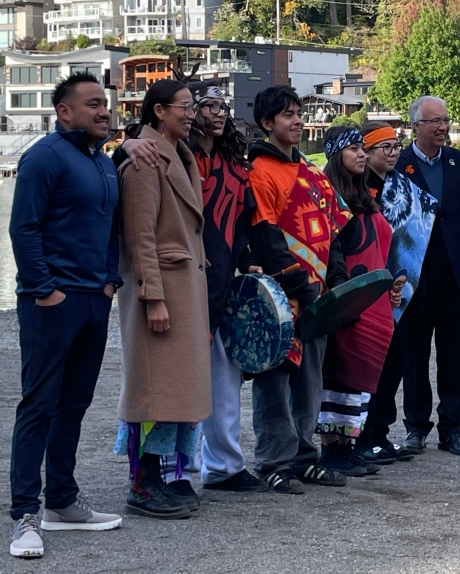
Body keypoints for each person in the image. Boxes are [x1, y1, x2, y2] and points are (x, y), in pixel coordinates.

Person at [7, 71, 158, 558]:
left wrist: (111, 280)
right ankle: (25, 516)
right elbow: (23, 229)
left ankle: (63, 503)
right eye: (92, 104)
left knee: (74, 405)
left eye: (106, 104)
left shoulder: (101, 162)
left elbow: (112, 227)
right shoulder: (43, 158)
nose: (103, 111)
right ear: (64, 111)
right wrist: (43, 290)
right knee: (39, 405)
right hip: (52, 303)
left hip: (96, 298)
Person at [113, 79, 211, 518]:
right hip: (163, 289)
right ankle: (143, 482)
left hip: (183, 288)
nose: (191, 113)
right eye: (184, 107)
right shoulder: (145, 159)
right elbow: (139, 235)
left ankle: (166, 475)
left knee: (175, 390)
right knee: (154, 390)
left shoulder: (179, 153)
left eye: (193, 106)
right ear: (158, 111)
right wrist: (152, 296)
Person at [248, 85, 351, 494]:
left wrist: (339, 282)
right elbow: (266, 239)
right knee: (274, 380)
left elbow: (334, 231)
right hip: (280, 295)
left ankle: (306, 456)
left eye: (298, 112)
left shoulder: (310, 172)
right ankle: (273, 460)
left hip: (319, 293)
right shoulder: (259, 171)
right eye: (286, 115)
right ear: (267, 123)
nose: (296, 120)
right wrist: (302, 287)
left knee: (310, 378)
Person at [387, 96, 460, 456]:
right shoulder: (397, 164)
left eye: (446, 120)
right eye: (435, 122)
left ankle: (452, 428)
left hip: (454, 273)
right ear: (416, 126)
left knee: (451, 353)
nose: (443, 127)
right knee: (414, 354)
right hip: (414, 274)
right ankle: (415, 427)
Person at [185, 82, 269, 493]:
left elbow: (239, 226)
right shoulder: (178, 158)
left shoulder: (235, 163)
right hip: (183, 280)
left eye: (223, 107)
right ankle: (171, 468)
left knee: (225, 379)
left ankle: (225, 466)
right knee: (177, 379)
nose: (219, 113)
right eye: (209, 106)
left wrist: (247, 260)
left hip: (223, 281)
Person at [316, 126, 398, 476]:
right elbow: (331, 249)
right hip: (349, 294)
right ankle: (331, 450)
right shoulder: (329, 198)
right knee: (340, 372)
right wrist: (340, 291)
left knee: (362, 375)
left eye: (363, 148)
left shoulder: (365, 197)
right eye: (354, 149)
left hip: (374, 299)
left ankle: (349, 445)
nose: (362, 155)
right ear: (337, 155)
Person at [352, 120, 436, 466]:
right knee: (367, 363)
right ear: (365, 151)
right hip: (366, 290)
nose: (392, 152)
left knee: (395, 364)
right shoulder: (353, 189)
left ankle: (381, 432)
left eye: (395, 145)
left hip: (403, 289)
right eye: (383, 147)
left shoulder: (407, 188)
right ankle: (359, 434)